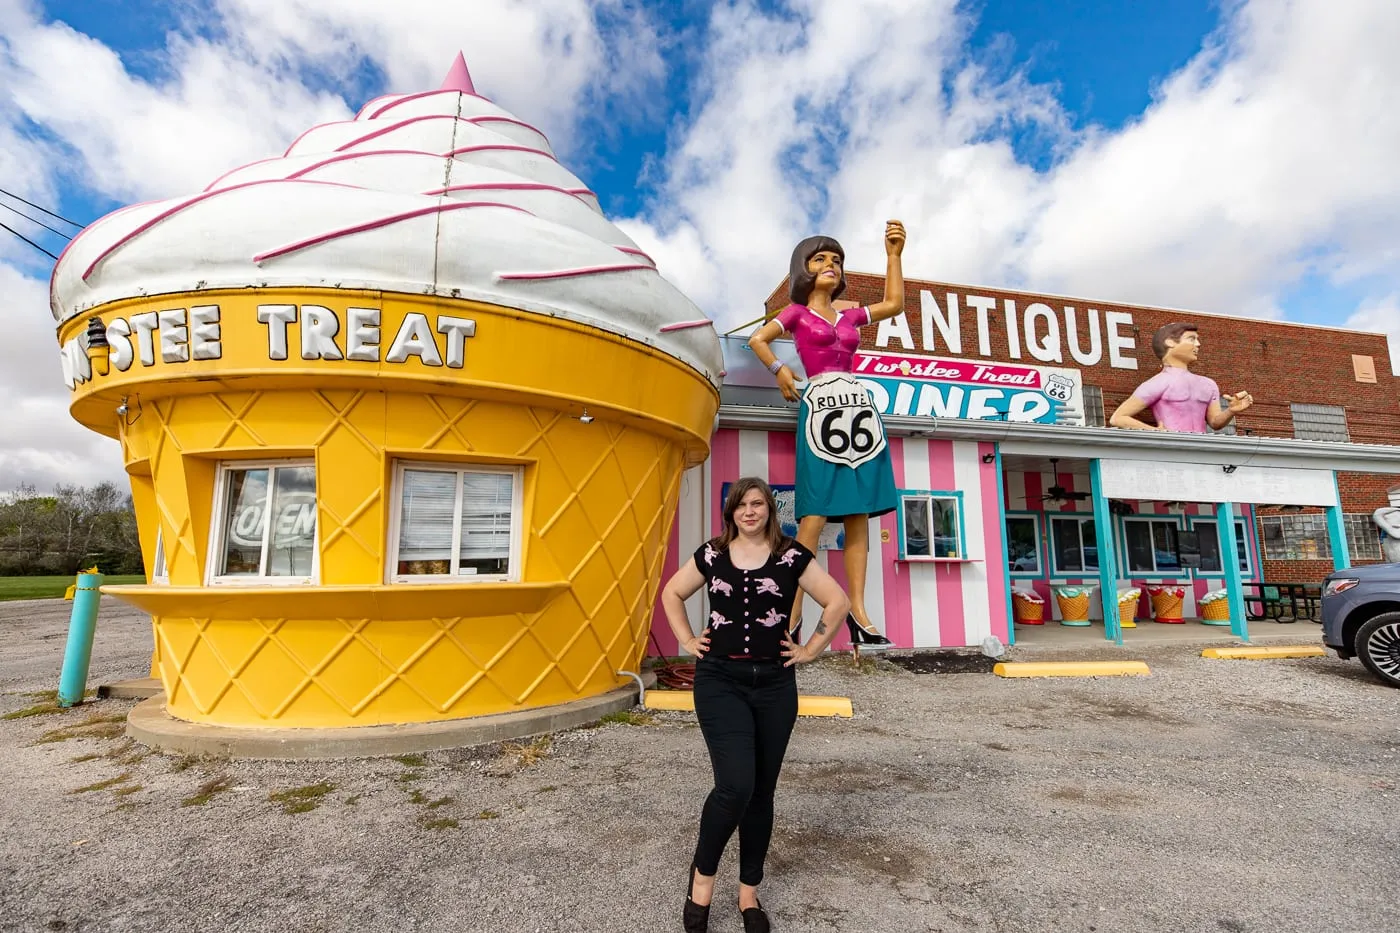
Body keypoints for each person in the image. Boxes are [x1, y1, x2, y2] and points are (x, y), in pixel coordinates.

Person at [660, 477, 851, 933]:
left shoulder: (791, 556)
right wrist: (687, 638)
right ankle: (701, 881)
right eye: (742, 504)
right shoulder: (712, 554)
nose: (750, 511)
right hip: (720, 680)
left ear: (769, 510)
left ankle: (749, 894)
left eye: (758, 504)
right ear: (731, 512)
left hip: (774, 686)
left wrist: (811, 650)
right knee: (735, 786)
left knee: (762, 793)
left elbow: (837, 600)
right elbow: (671, 593)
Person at [746, 220, 907, 650]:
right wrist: (780, 369)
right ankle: (793, 611)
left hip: (858, 408)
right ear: (804, 268)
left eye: (837, 260)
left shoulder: (851, 315)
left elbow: (893, 303)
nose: (831, 266)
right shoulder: (797, 314)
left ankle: (858, 610)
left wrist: (893, 255)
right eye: (821, 259)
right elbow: (757, 339)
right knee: (813, 515)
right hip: (818, 406)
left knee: (858, 513)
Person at [1109, 322, 1254, 433]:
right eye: (1191, 339)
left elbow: (1215, 423)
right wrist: (1154, 431)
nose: (1198, 344)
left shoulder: (1208, 384)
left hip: (1203, 449)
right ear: (1170, 342)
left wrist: (1231, 411)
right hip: (1172, 451)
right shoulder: (1158, 383)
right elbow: (1117, 418)